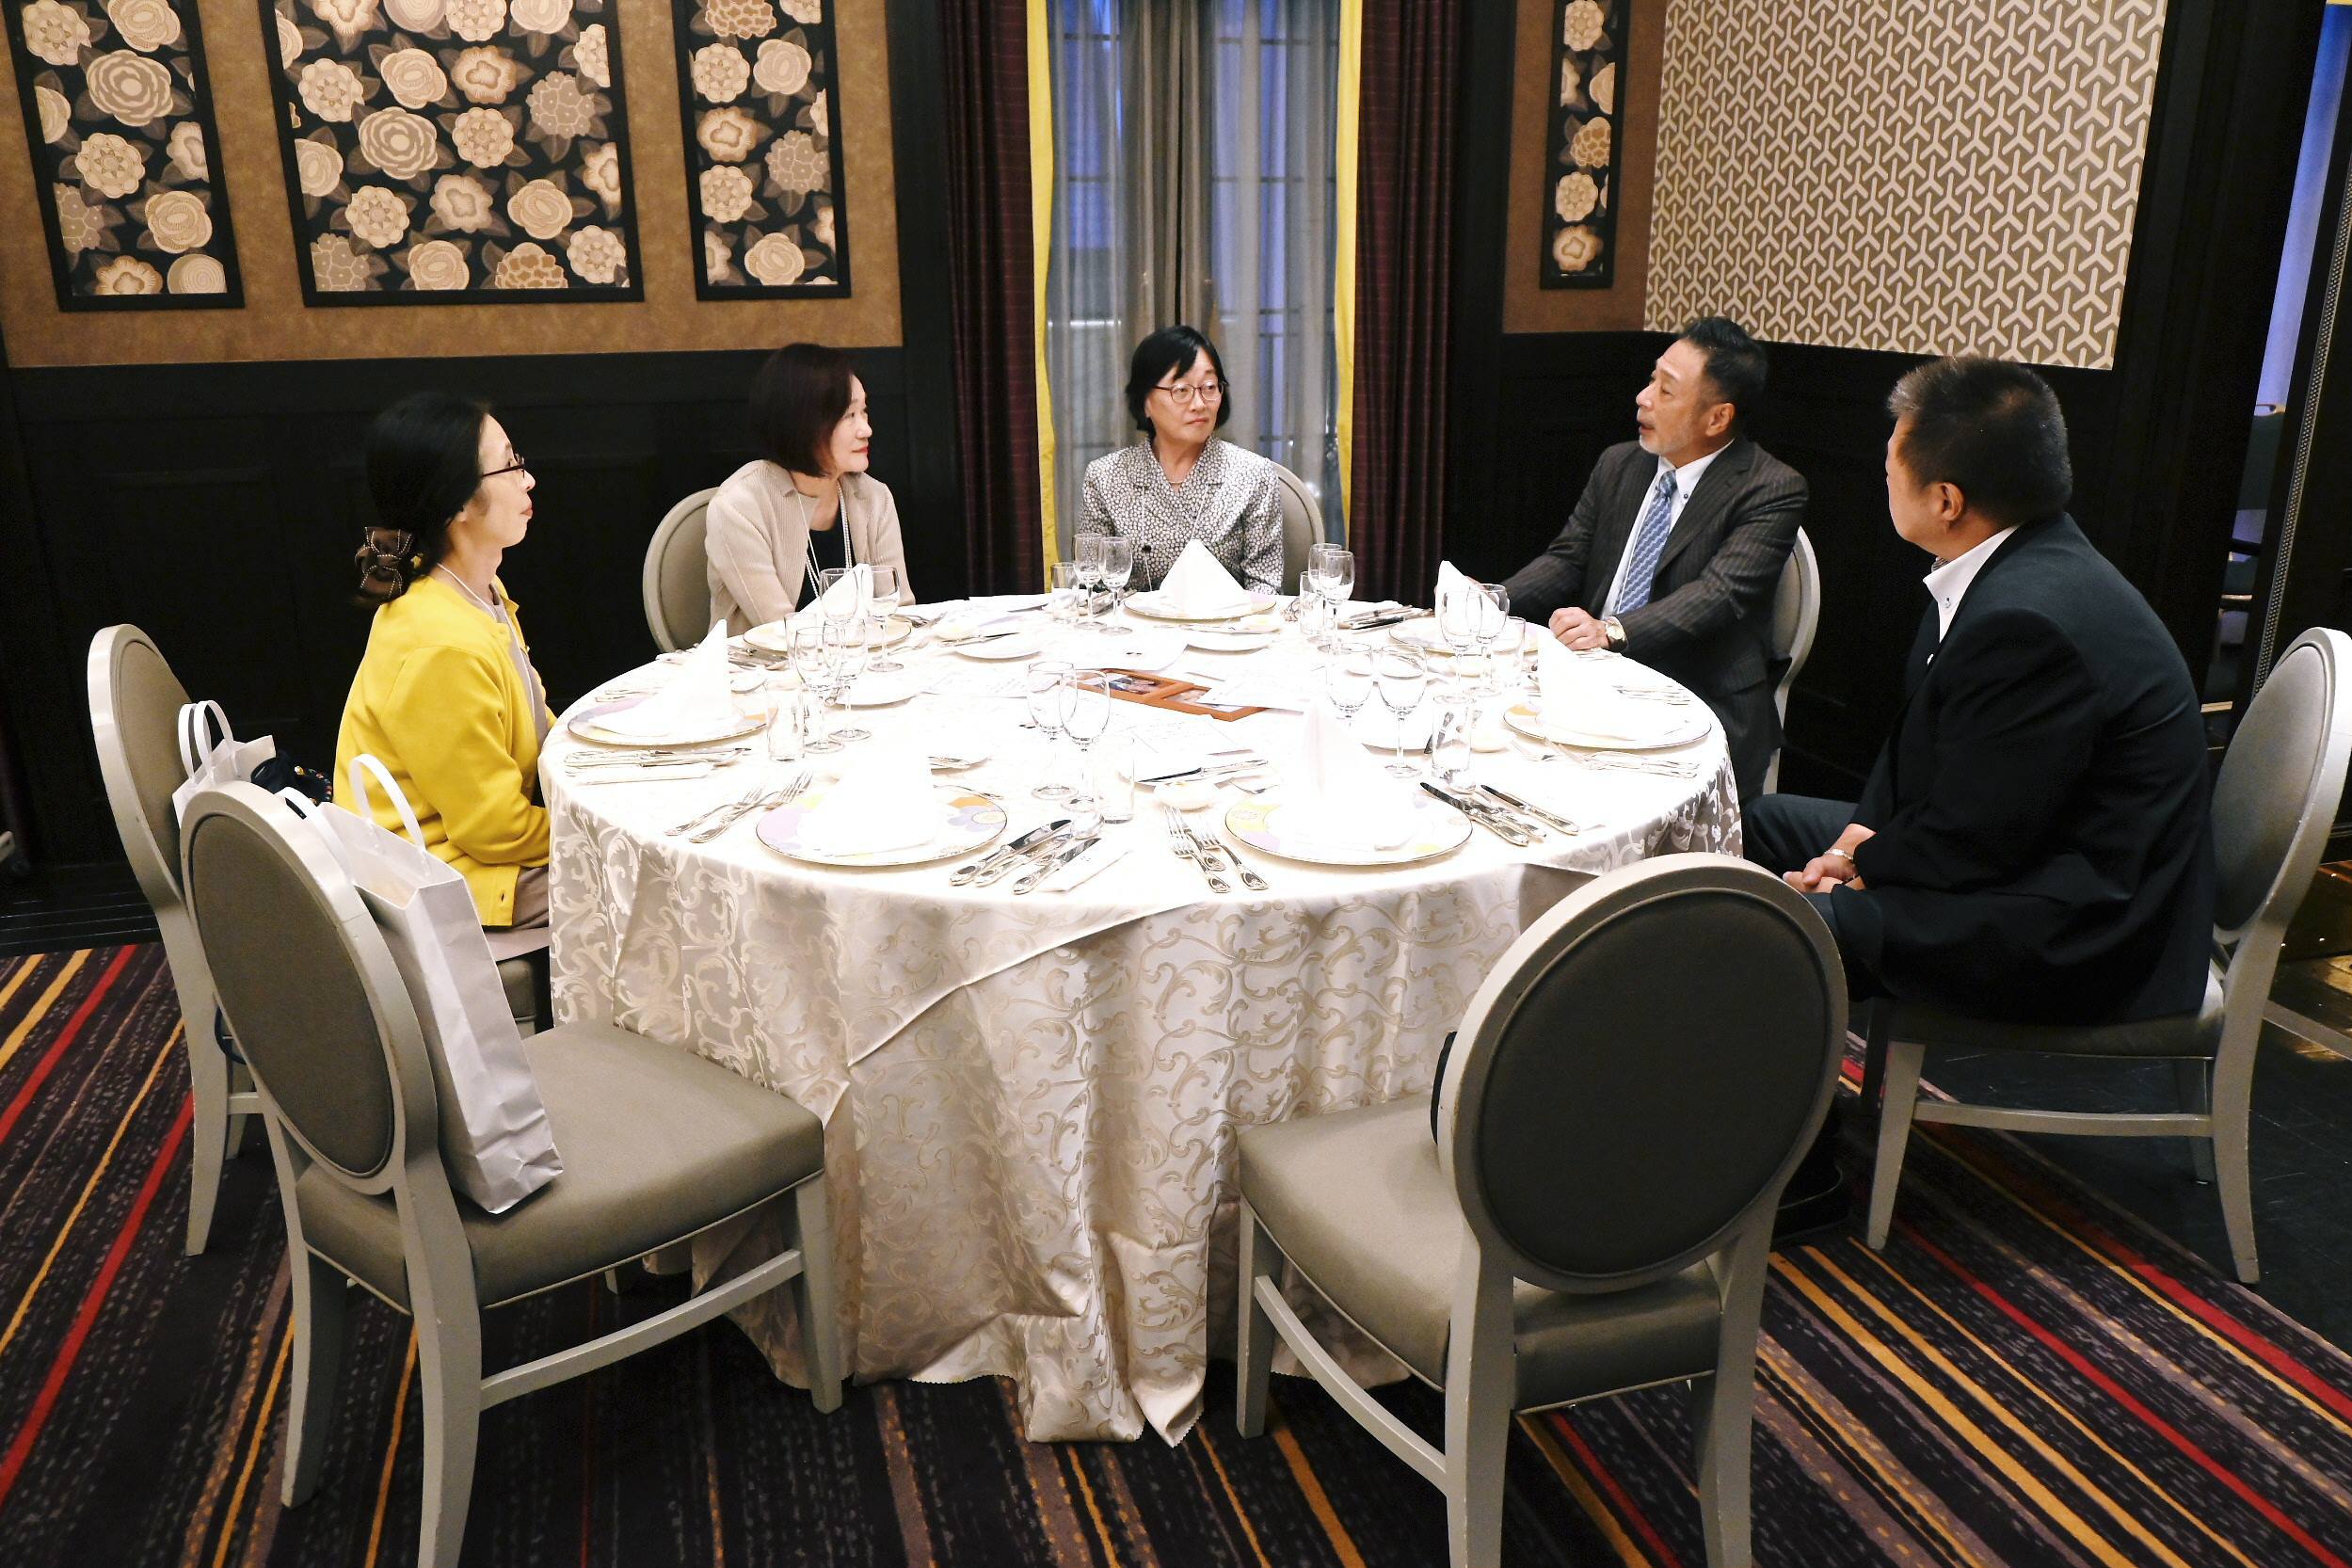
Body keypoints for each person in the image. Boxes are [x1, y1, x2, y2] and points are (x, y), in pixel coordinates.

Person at [1747, 357, 2215, 1232]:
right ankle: (1733, 1099)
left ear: (1945, 499)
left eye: (1891, 465)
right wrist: (1848, 848)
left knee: (1783, 926)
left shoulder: (2027, 619)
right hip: (2028, 852)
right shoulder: (2005, 562)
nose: (1883, 476)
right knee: (1768, 824)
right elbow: (1921, 759)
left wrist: (1854, 876)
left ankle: (1802, 1181)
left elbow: (1977, 840)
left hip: (2083, 919)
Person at [1501, 316, 1805, 800]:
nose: (1643, 398)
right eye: (1651, 380)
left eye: (1666, 390)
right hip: (1594, 682)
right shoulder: (1620, 463)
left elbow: (1718, 595)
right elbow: (1568, 558)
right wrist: (1494, 600)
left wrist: (1612, 631)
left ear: (1717, 418)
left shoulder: (1770, 488)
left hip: (1700, 700)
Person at [337, 392, 557, 936]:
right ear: (456, 503)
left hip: (479, 850)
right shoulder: (441, 643)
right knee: (656, 883)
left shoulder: (474, 590)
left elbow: (533, 723)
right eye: (510, 465)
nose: (528, 480)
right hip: (442, 879)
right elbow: (497, 830)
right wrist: (614, 832)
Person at [706, 343, 914, 632]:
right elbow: (779, 632)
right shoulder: (738, 507)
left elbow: (898, 614)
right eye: (849, 415)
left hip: (862, 658)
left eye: (864, 411)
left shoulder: (874, 497)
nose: (866, 429)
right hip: (770, 660)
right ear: (803, 423)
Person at [1079, 325, 1284, 594]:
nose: (1199, 404)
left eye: (1209, 387)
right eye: (1182, 390)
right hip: (1133, 620)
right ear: (1145, 402)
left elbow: (1265, 586)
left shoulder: (1253, 475)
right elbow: (1093, 587)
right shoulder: (1106, 477)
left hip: (1227, 620)